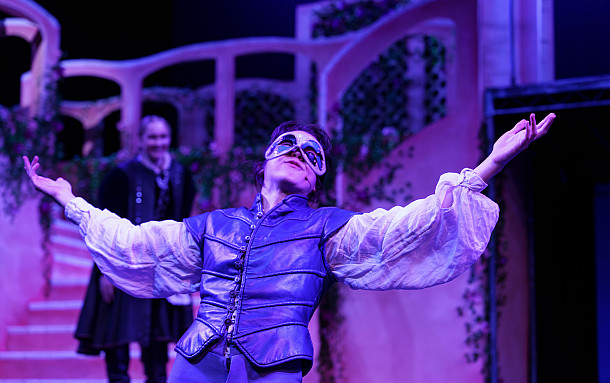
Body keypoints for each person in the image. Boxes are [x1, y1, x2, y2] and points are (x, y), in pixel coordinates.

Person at [24, 112, 555, 382]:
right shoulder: (215, 225)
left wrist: (488, 166)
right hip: (196, 363)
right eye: (289, 145)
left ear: (318, 177)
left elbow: (407, 227)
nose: (299, 153)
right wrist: (70, 199)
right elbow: (138, 243)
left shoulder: (328, 228)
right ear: (264, 162)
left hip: (273, 369)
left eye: (312, 153)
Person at [73, 115, 196, 383]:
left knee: (157, 341)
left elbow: (184, 222)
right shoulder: (120, 176)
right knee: (117, 339)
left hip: (161, 268)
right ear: (140, 140)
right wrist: (105, 273)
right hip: (122, 264)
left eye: (163, 137)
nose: (158, 143)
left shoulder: (180, 174)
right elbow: (103, 227)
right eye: (152, 137)